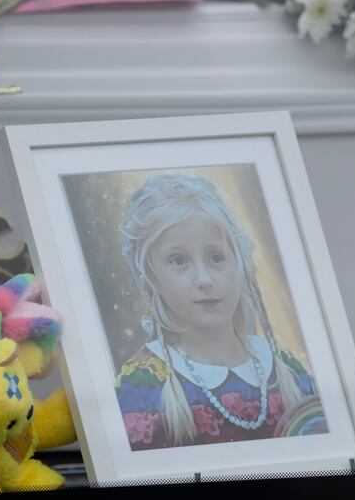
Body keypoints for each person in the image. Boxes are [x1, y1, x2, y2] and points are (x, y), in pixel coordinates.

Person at [115, 174, 323, 450]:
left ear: (239, 264)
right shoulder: (145, 386)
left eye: (216, 257)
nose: (204, 279)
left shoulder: (286, 370)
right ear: (151, 279)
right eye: (179, 260)